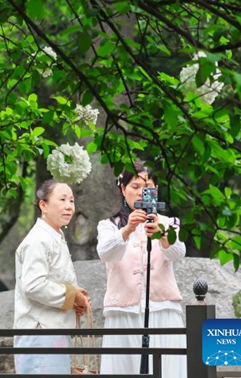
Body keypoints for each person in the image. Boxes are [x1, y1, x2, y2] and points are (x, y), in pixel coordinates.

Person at [97, 161, 186, 376]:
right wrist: (127, 229)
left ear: (155, 190)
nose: (141, 193)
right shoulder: (109, 225)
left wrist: (163, 235)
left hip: (162, 309)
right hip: (123, 310)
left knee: (167, 369)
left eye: (147, 187)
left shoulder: (168, 222)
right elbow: (106, 253)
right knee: (123, 368)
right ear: (122, 189)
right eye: (134, 187)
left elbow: (178, 253)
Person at [13, 180, 90, 375]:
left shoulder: (53, 236)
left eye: (71, 201)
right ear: (43, 205)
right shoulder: (38, 239)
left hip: (52, 331)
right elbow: (33, 285)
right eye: (62, 199)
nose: (69, 206)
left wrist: (75, 296)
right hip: (40, 332)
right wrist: (72, 296)